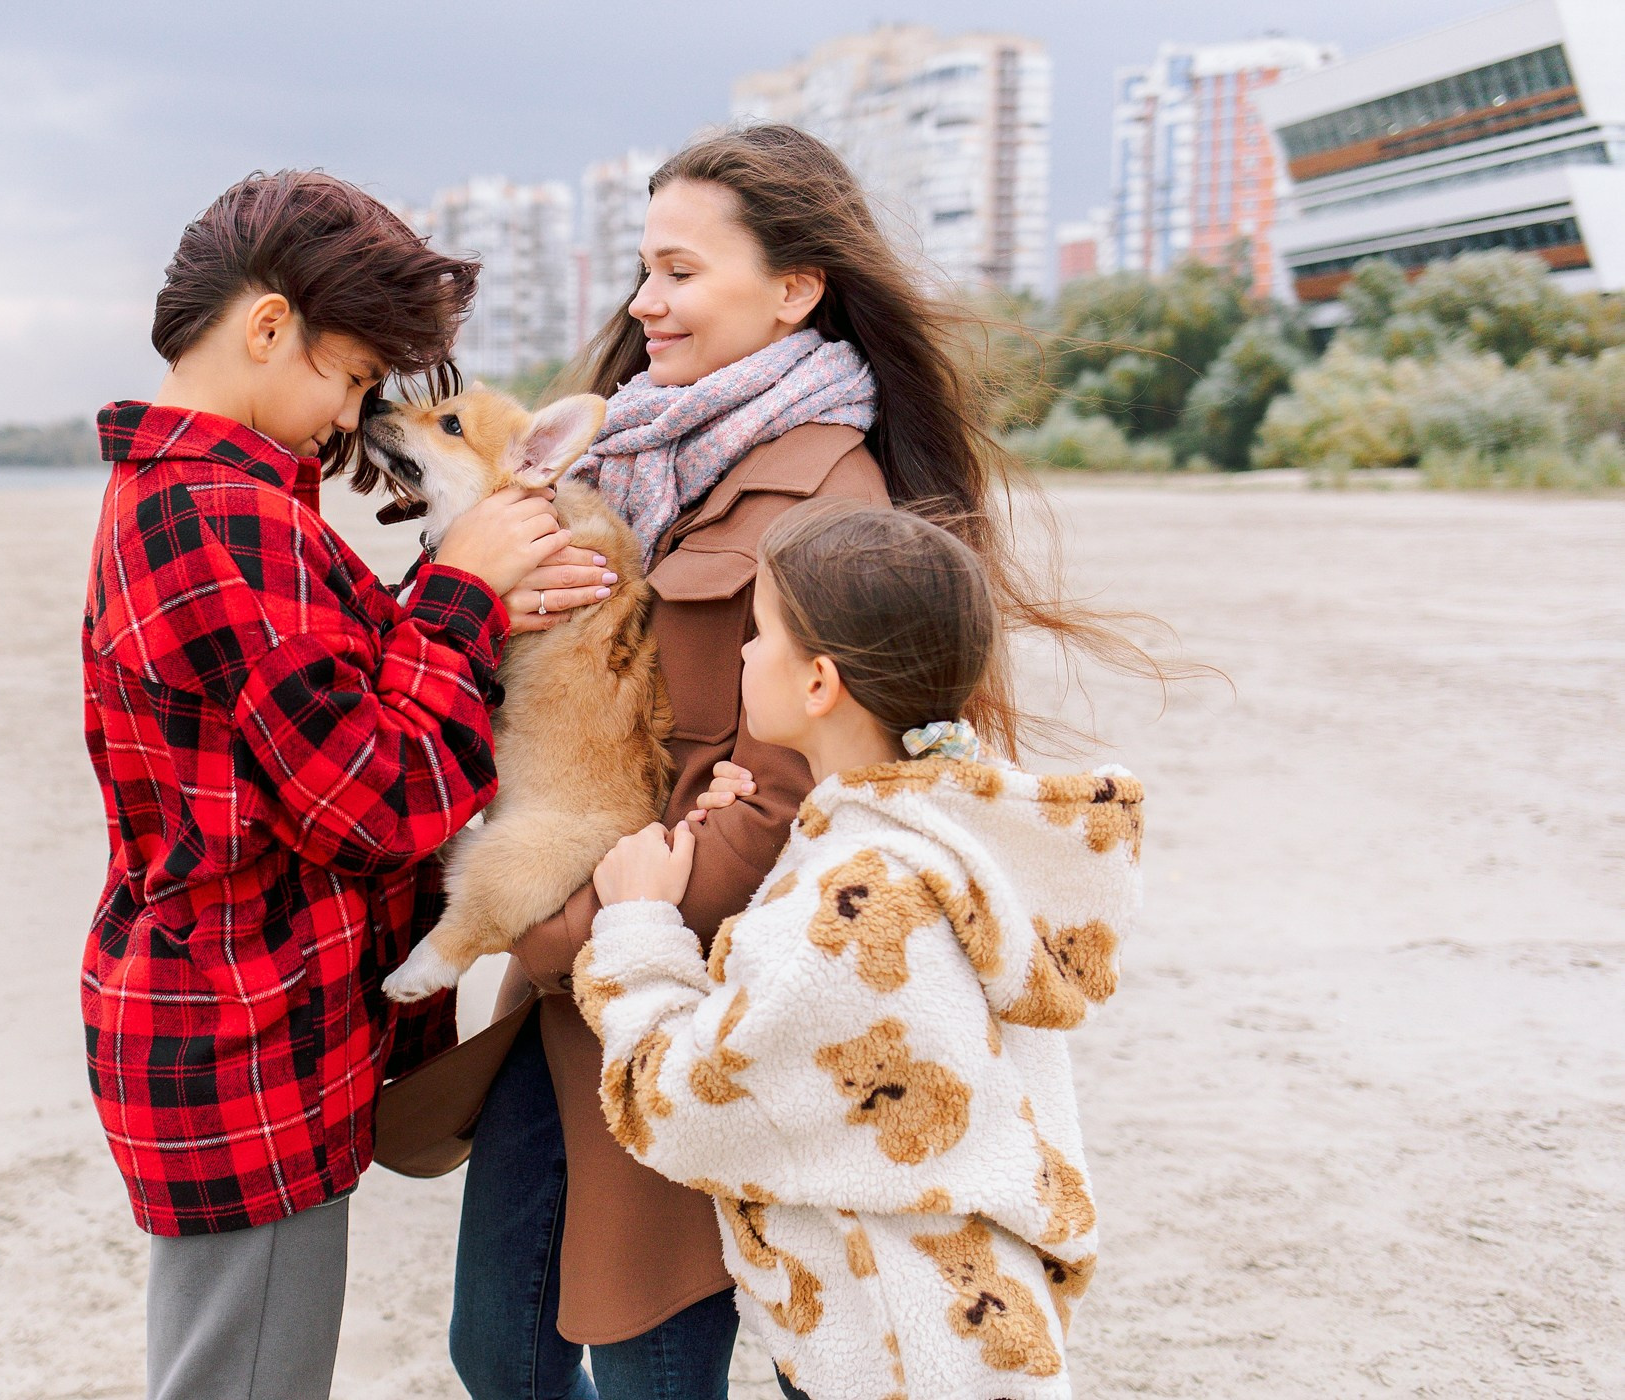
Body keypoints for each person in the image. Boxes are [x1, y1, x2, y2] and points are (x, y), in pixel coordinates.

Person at [446, 123, 1159, 1400]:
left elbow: (785, 802)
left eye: (679, 271)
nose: (643, 302)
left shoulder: (827, 497)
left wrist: (562, 928)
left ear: (794, 289)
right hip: (590, 965)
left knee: (645, 1366)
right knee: (499, 1348)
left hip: (700, 997)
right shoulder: (640, 451)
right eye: (644, 268)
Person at [80, 170, 606, 1400]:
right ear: (271, 327)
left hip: (229, 1014)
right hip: (246, 1030)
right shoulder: (222, 515)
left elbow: (334, 695)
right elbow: (379, 799)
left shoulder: (214, 499)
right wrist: (463, 592)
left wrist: (468, 604)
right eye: (357, 377)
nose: (353, 416)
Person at [576, 501, 1143, 1400]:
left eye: (760, 633)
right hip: (973, 1324)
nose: (742, 653)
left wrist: (638, 928)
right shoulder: (948, 834)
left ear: (818, 684)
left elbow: (678, 1108)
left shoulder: (854, 902)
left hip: (896, 1345)